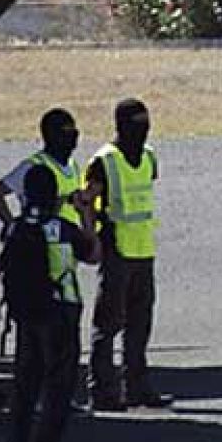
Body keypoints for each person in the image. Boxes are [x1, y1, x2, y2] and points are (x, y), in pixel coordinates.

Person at [0, 164, 100, 442]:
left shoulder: (13, 228)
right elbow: (94, 254)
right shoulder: (60, 228)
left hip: (26, 315)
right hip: (59, 314)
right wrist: (86, 216)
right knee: (58, 388)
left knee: (24, 389)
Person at [86, 98, 171, 411]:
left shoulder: (149, 157)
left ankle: (137, 386)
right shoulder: (104, 161)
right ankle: (103, 391)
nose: (143, 131)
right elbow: (89, 202)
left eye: (146, 124)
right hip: (117, 250)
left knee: (140, 325)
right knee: (108, 325)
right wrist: (93, 240)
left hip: (144, 250)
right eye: (137, 124)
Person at [0, 108, 84, 228]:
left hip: (68, 238)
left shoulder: (73, 166)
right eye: (67, 132)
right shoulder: (33, 166)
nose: (73, 137)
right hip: (39, 240)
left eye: (74, 132)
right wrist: (12, 226)